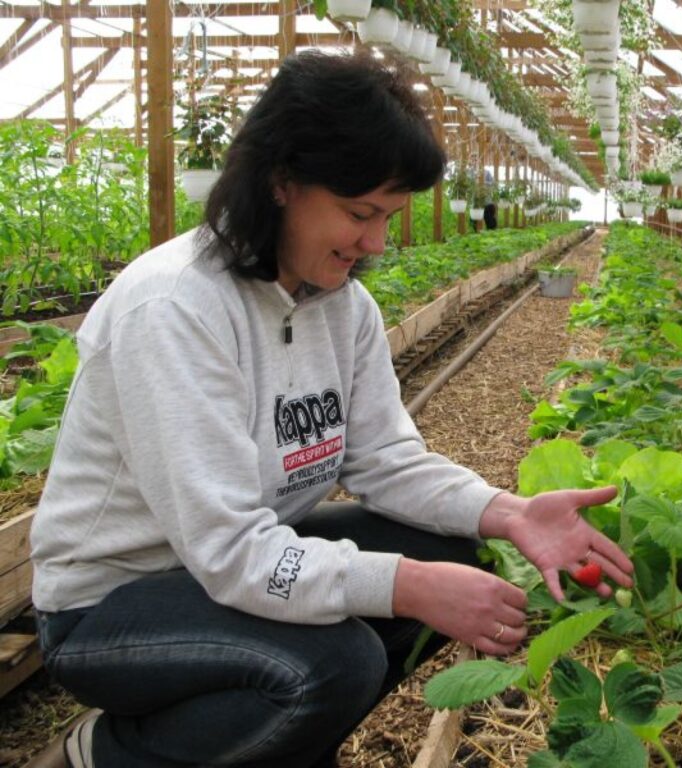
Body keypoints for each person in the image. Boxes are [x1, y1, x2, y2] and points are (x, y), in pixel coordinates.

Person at [29, 50, 633, 768]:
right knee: (338, 661)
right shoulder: (175, 309)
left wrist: (509, 513)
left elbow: (386, 460)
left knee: (451, 550)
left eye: (389, 217)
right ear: (281, 182)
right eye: (359, 213)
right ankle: (112, 751)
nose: (375, 242)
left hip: (232, 568)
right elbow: (229, 551)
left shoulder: (343, 307)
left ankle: (279, 737)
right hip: (112, 607)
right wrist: (407, 587)